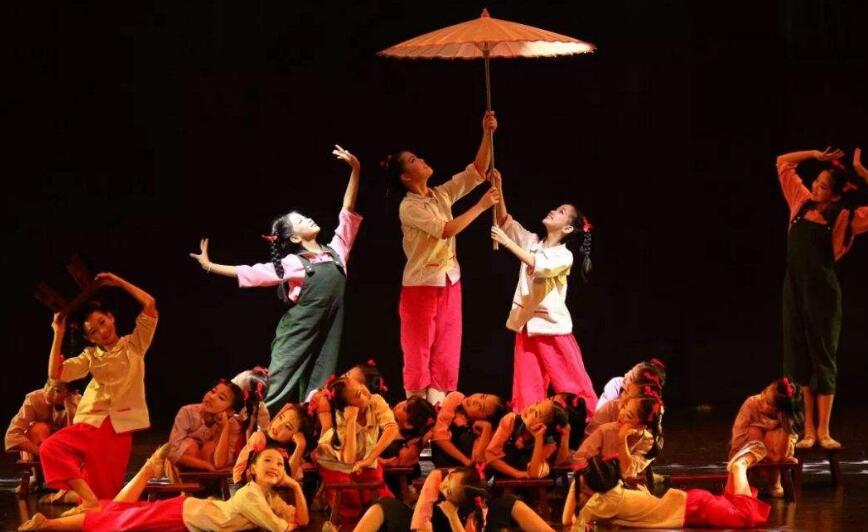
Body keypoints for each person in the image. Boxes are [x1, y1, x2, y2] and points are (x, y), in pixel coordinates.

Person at [190, 146, 362, 413]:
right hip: (296, 332)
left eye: (305, 216)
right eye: (301, 221)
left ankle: (307, 431)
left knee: (318, 388)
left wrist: (355, 170)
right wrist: (210, 266)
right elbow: (252, 273)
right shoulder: (294, 263)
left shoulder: (337, 251)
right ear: (294, 237)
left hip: (328, 332)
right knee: (278, 386)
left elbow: (347, 209)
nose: (309, 219)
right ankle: (248, 415)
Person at [383, 111, 499, 404]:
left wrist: (486, 133)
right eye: (413, 160)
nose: (421, 160)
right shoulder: (409, 206)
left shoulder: (440, 195)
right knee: (418, 351)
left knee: (446, 351)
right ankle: (416, 413)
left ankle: (437, 411)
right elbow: (446, 230)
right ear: (405, 176)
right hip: (421, 286)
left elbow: (477, 171)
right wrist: (481, 206)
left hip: (449, 281)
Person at [39, 273, 158, 514]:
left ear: (111, 317)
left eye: (102, 322)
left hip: (120, 427)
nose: (101, 331)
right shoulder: (91, 357)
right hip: (93, 422)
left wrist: (118, 281)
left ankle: (90, 506)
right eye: (93, 331)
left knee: (107, 495)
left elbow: (150, 304)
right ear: (89, 339)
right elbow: (55, 374)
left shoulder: (135, 345)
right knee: (50, 448)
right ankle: (87, 500)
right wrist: (58, 332)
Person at [776, 147, 868, 449]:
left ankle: (824, 431)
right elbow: (783, 162)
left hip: (823, 294)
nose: (815, 187)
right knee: (798, 358)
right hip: (794, 290)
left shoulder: (844, 218)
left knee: (823, 358)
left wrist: (862, 172)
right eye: (816, 181)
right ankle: (807, 432)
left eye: (824, 186)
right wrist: (815, 155)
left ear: (836, 195)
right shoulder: (800, 201)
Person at [489, 169, 598, 416]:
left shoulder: (564, 256)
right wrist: (499, 187)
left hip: (552, 328)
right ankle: (528, 426)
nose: (553, 211)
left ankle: (592, 421)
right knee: (527, 387)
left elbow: (538, 265)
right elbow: (505, 221)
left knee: (572, 383)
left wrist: (507, 242)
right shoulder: (532, 242)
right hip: (527, 325)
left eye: (561, 212)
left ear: (568, 228)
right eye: (557, 208)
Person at [19, 444, 309, 532]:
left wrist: (295, 486)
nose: (275, 467)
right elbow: (281, 528)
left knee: (118, 513)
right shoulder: (251, 495)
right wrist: (288, 519)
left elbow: (302, 520)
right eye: (267, 460)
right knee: (119, 524)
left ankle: (149, 467)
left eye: (280, 464)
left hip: (185, 517)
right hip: (182, 515)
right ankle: (49, 525)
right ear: (252, 469)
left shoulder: (267, 495)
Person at [563, 455, 769, 530]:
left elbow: (567, 521)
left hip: (692, 509)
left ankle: (739, 467)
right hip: (692, 505)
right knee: (737, 510)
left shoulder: (601, 504)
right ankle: (735, 472)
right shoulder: (618, 486)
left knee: (745, 517)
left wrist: (575, 486)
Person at [165, 380, 245, 473]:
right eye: (213, 391)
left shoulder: (233, 424)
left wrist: (225, 429)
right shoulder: (187, 412)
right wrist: (205, 465)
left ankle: (205, 481)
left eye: (221, 398)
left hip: (211, 472)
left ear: (230, 411)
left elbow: (219, 463)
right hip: (181, 469)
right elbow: (172, 453)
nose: (211, 397)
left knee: (209, 447)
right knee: (190, 445)